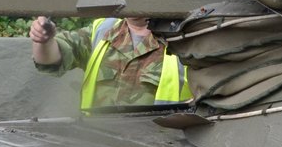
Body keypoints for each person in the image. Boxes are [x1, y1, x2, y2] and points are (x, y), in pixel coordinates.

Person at [29, 15, 190, 110]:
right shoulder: (103, 29)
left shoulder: (186, 38)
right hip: (99, 144)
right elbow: (50, 58)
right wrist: (43, 40)